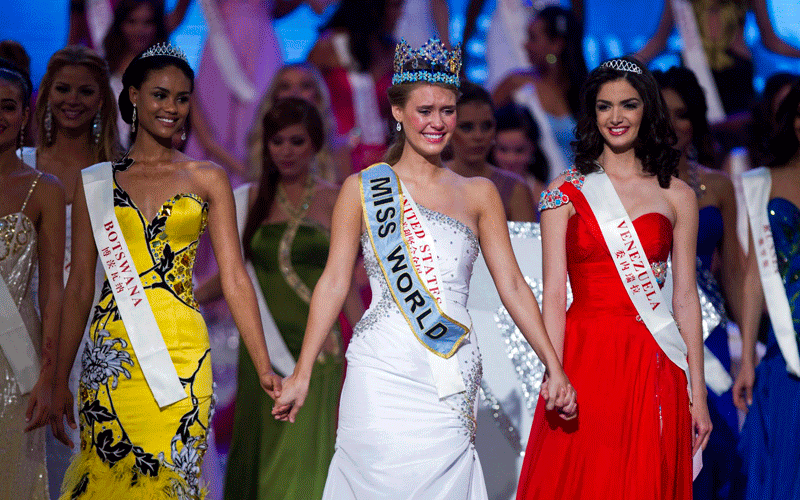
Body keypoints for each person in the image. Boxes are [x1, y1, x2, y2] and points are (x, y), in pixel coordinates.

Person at [272, 38, 577, 500]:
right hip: (380, 367)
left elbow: (513, 285)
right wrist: (303, 372)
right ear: (397, 111)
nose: (438, 123)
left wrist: (553, 365)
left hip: (448, 369)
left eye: (447, 110)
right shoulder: (363, 188)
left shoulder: (479, 193)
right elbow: (334, 281)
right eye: (425, 110)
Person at [49, 43, 282, 498]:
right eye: (160, 95)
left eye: (182, 97)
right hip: (110, 360)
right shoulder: (96, 180)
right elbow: (78, 289)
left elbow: (234, 278)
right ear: (133, 95)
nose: (172, 108)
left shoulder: (206, 177)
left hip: (182, 358)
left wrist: (263, 365)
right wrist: (58, 378)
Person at [517, 56, 712, 499]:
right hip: (585, 357)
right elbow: (553, 296)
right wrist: (555, 369)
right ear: (592, 114)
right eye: (605, 106)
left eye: (628, 104)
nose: (616, 117)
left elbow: (685, 297)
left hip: (652, 358)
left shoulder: (677, 194)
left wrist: (697, 391)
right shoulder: (562, 191)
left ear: (647, 109)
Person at [196, 97, 358, 499]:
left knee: (300, 462)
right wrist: (181, 299)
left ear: (316, 145)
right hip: (262, 353)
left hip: (316, 351)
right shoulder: (250, 200)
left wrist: (364, 338)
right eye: (278, 141)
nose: (286, 150)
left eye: (297, 141)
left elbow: (347, 282)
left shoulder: (338, 198)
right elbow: (232, 277)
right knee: (259, 457)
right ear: (266, 145)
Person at [25, 44, 120, 499]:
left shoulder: (119, 173)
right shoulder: (20, 164)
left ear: (102, 99)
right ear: (46, 95)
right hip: (26, 319)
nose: (73, 100)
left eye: (86, 91)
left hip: (95, 324)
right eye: (63, 89)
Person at [654, 65, 743, 500]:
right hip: (655, 324)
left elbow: (735, 272)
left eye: (683, 114)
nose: (673, 125)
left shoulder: (720, 186)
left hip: (710, 336)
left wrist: (747, 353)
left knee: (717, 440)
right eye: (664, 113)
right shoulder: (632, 188)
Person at [0, 61, 66, 499]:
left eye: (7, 106)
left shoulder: (44, 189)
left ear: (26, 115)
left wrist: (50, 374)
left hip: (17, 354)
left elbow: (52, 289)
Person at [734, 80, 800, 500]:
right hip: (786, 345)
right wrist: (746, 360)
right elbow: (755, 275)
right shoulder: (762, 183)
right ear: (796, 123)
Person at [185, 0, 326, 188]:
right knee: (216, 121)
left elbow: (294, 9)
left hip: (261, 46)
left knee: (268, 119)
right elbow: (171, 19)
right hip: (221, 45)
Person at [636, 0, 800, 116]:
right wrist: (625, 64)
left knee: (738, 141)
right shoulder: (679, 2)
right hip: (694, 73)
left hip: (736, 74)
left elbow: (770, 40)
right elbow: (658, 42)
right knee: (699, 139)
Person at [307, 0, 405, 173]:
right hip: (338, 159)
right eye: (395, 6)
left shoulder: (392, 51)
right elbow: (306, 104)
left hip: (387, 158)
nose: (400, 13)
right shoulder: (326, 48)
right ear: (373, 8)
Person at [492, 6, 586, 183]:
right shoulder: (516, 84)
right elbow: (482, 127)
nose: (525, 44)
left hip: (583, 197)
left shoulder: (584, 91)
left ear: (557, 45)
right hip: (534, 195)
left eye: (532, 38)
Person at [100, 0, 189, 149]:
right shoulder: (105, 67)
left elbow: (178, 134)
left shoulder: (169, 73)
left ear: (157, 26)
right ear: (120, 24)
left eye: (147, 22)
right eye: (132, 21)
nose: (139, 30)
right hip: (104, 156)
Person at [447, 81, 536, 222]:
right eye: (467, 127)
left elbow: (526, 244)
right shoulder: (427, 181)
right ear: (446, 129)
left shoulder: (515, 189)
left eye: (486, 126)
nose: (478, 136)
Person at [491, 102, 550, 211]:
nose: (511, 159)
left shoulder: (547, 195)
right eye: (503, 150)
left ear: (533, 149)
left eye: (519, 151)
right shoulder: (482, 188)